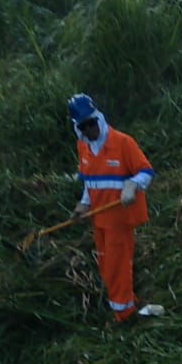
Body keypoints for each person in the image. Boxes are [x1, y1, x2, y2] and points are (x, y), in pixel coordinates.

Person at [68, 92, 154, 323]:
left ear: (99, 118)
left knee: (117, 265)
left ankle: (124, 315)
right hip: (99, 218)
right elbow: (89, 181)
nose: (89, 130)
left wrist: (132, 185)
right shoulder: (83, 147)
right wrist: (83, 204)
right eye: (83, 126)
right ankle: (121, 303)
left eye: (91, 123)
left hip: (119, 218)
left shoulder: (123, 143)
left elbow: (146, 171)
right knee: (106, 263)